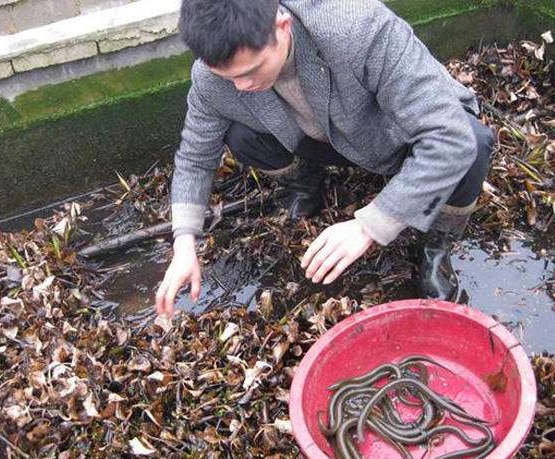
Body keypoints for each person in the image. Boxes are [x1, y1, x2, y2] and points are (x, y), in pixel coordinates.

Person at [155, 0, 494, 316]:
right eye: (229, 76)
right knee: (240, 135)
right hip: (322, 137)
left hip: (393, 133)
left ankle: (436, 245)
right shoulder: (210, 79)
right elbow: (195, 156)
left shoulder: (355, 28)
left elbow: (448, 137)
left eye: (252, 70)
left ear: (282, 25)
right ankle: (304, 186)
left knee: (473, 144)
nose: (241, 86)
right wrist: (184, 240)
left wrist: (369, 226)